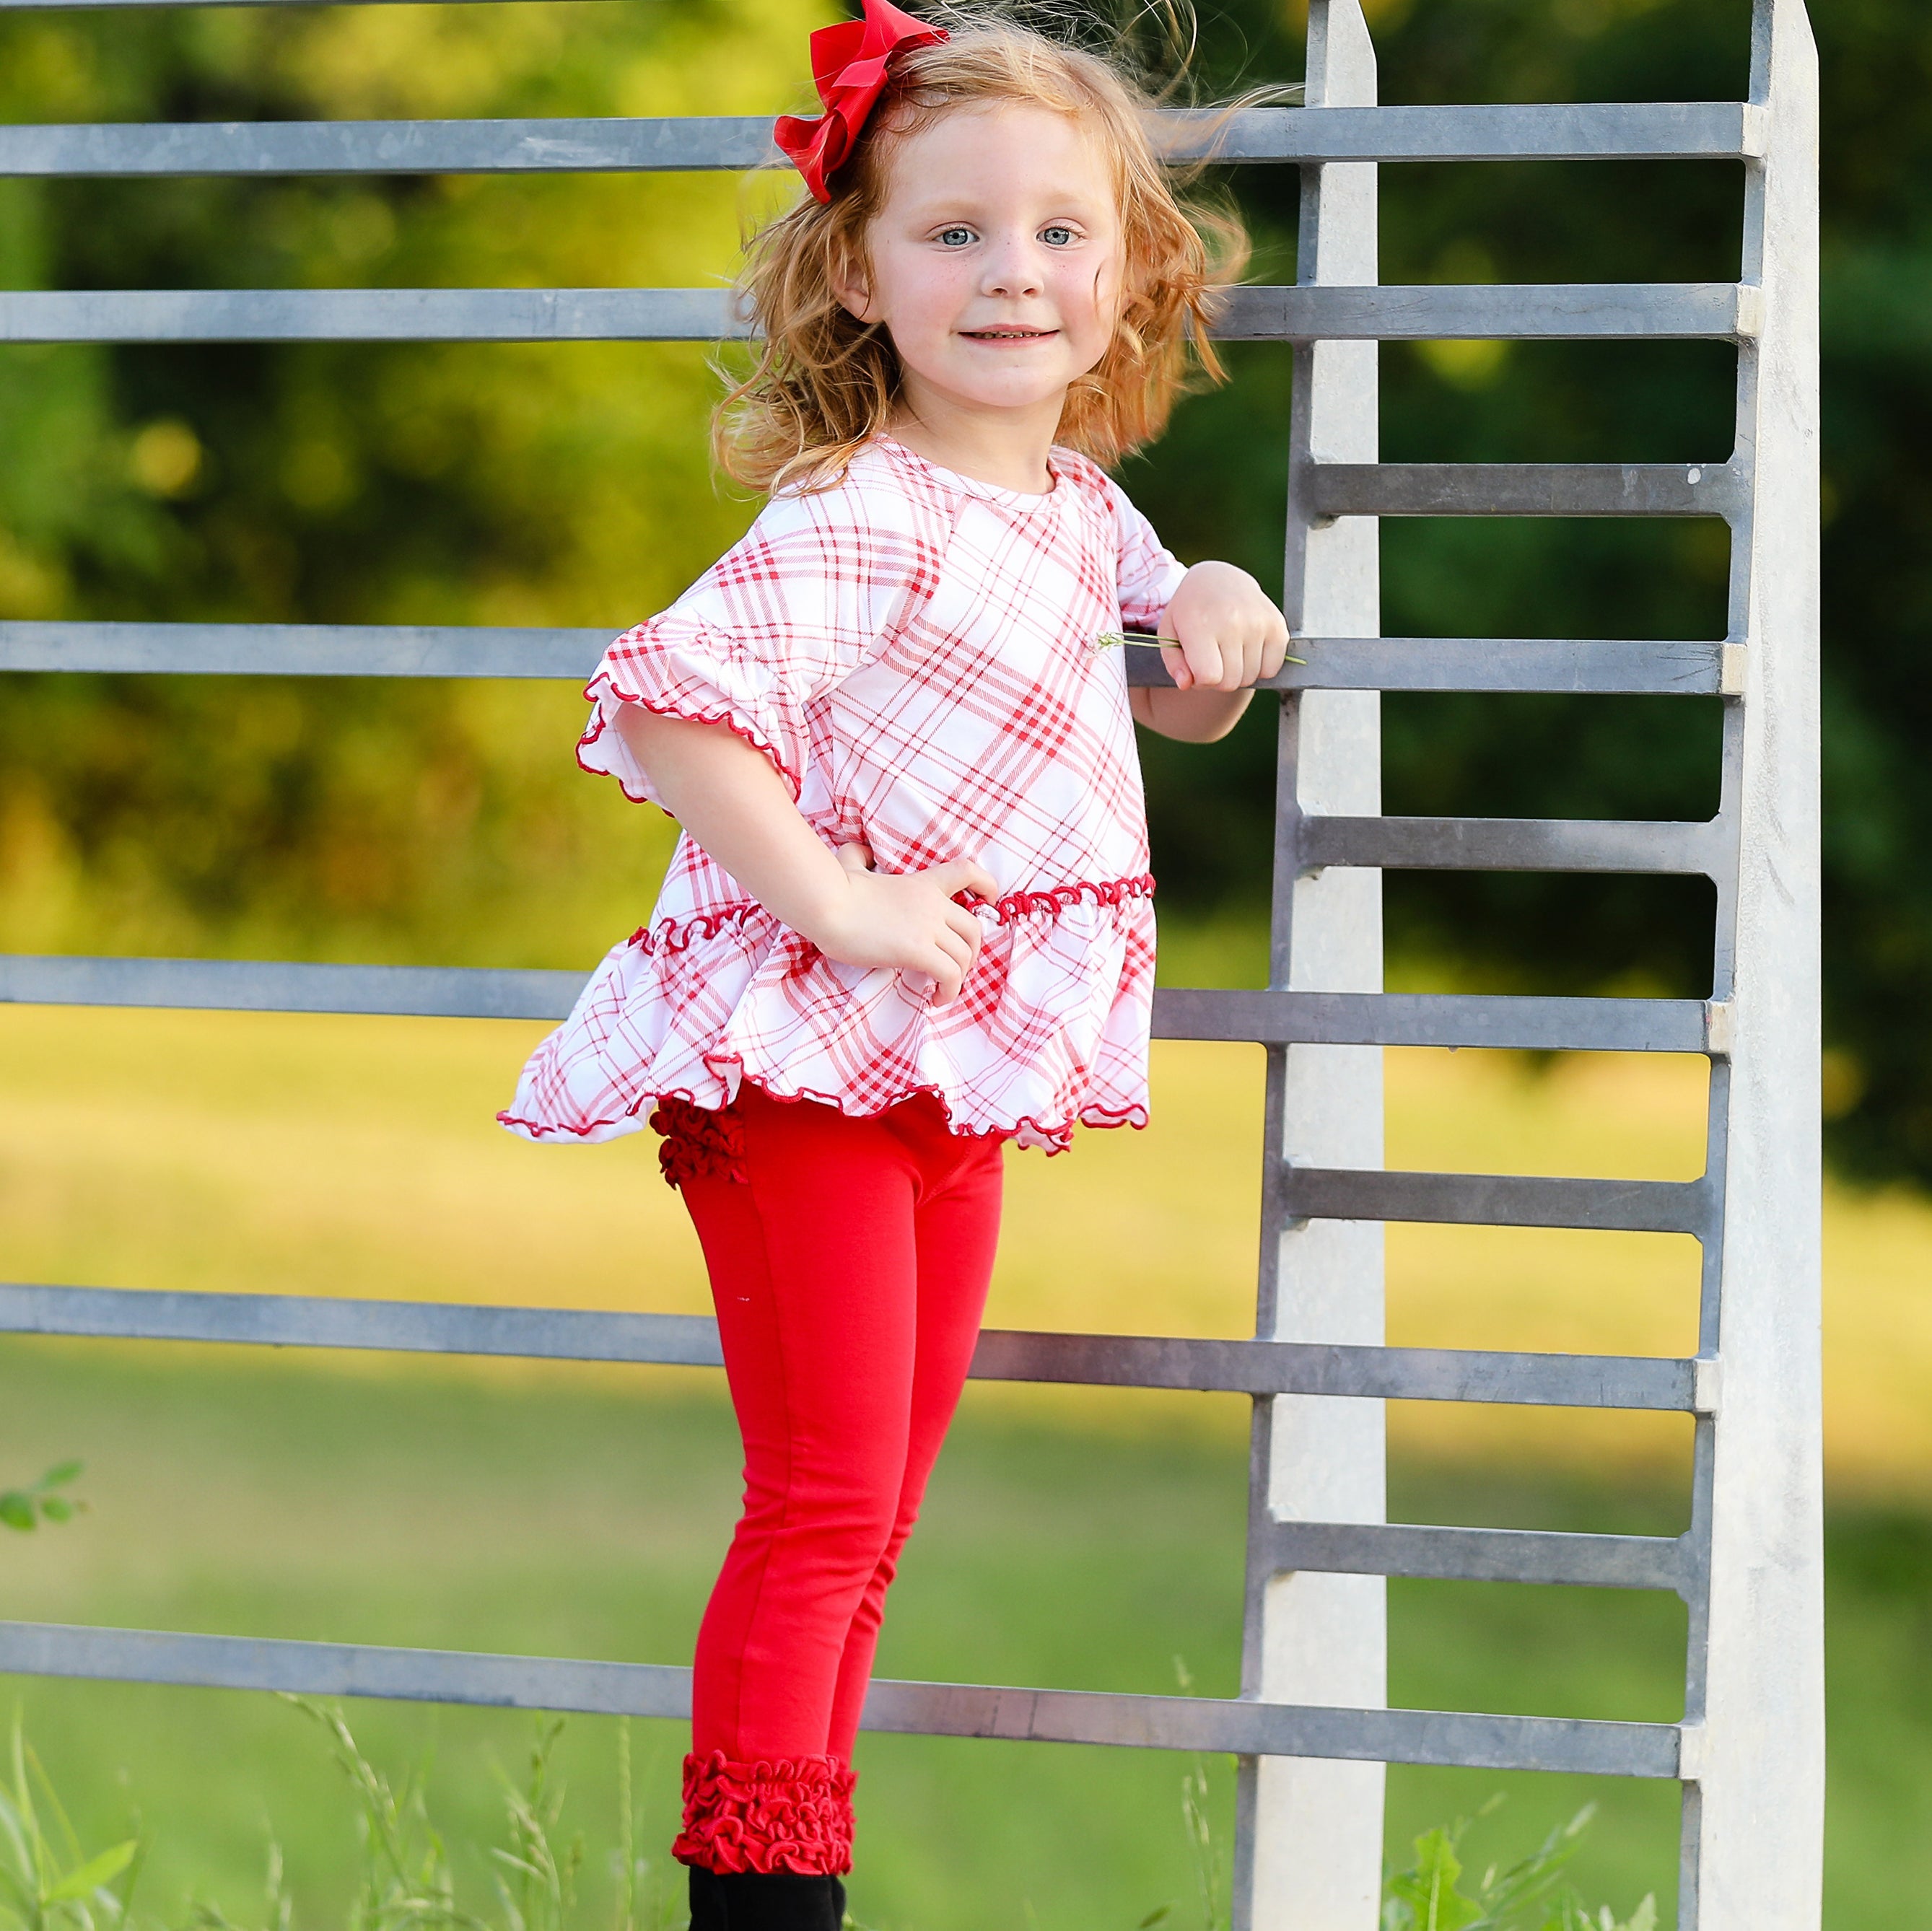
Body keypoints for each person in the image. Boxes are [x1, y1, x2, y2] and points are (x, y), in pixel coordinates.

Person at [500, 3, 1290, 1922]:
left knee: (877, 1516)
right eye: (952, 234)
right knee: (829, 1505)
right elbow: (674, 708)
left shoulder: (1079, 505)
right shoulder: (860, 514)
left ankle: (799, 1871)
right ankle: (760, 1898)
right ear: (860, 269)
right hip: (811, 1062)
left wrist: (1208, 607)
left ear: (1125, 269)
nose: (1011, 273)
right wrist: (838, 898)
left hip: (947, 1068)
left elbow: (1160, 706)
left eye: (1056, 233)